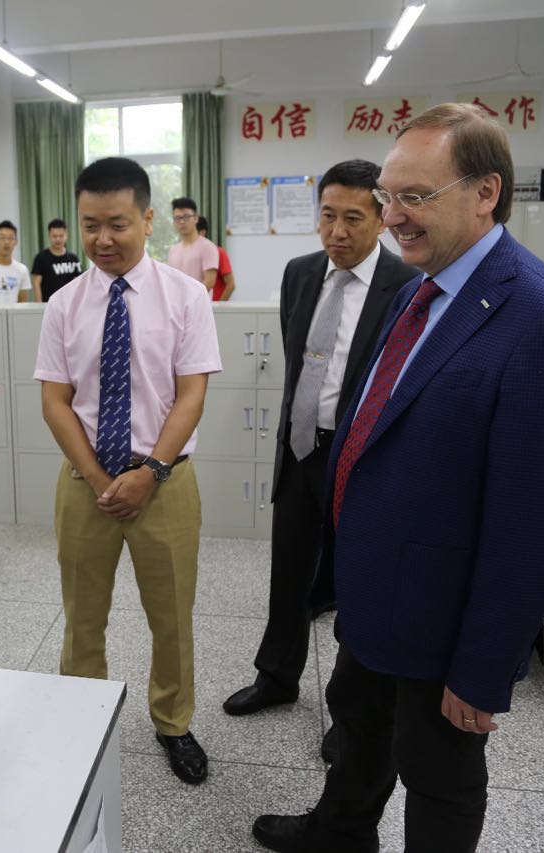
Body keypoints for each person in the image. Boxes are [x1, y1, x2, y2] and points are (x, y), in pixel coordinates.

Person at [252, 103, 544, 852]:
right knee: (359, 728)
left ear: (485, 193)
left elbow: (533, 523)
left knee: (439, 774)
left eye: (415, 196)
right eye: (389, 197)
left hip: (444, 619)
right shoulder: (421, 289)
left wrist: (483, 668)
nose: (392, 217)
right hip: (372, 590)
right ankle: (339, 833)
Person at [35, 157, 222, 785]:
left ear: (147, 219)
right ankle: (81, 714)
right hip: (84, 483)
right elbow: (55, 402)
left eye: (117, 223)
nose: (102, 239)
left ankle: (173, 721)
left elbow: (191, 395)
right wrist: (98, 479)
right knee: (82, 612)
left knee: (172, 616)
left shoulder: (186, 296)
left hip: (165, 483)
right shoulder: (64, 304)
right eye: (90, 225)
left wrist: (150, 471)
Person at [223, 161, 419, 761]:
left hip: (359, 455)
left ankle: (348, 712)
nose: (337, 231)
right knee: (289, 570)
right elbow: (298, 360)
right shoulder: (301, 273)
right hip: (300, 445)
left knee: (353, 584)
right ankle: (277, 677)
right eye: (327, 215)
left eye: (352, 218)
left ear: (382, 219)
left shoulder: (406, 284)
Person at [166, 197, 219, 294]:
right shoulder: (173, 250)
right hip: (176, 302)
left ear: (196, 218)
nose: (182, 221)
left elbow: (209, 282)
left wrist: (188, 299)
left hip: (199, 302)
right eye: (177, 218)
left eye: (186, 217)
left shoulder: (208, 247)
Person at [30, 218, 82, 302]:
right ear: (49, 236)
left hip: (69, 304)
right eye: (54, 236)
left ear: (66, 235)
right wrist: (39, 304)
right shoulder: (40, 258)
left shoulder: (73, 258)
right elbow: (36, 283)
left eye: (61, 236)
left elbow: (79, 282)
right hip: (49, 304)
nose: (58, 239)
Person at [195, 216, 235, 301]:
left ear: (202, 232)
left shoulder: (218, 252)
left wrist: (218, 306)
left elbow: (231, 285)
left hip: (213, 305)